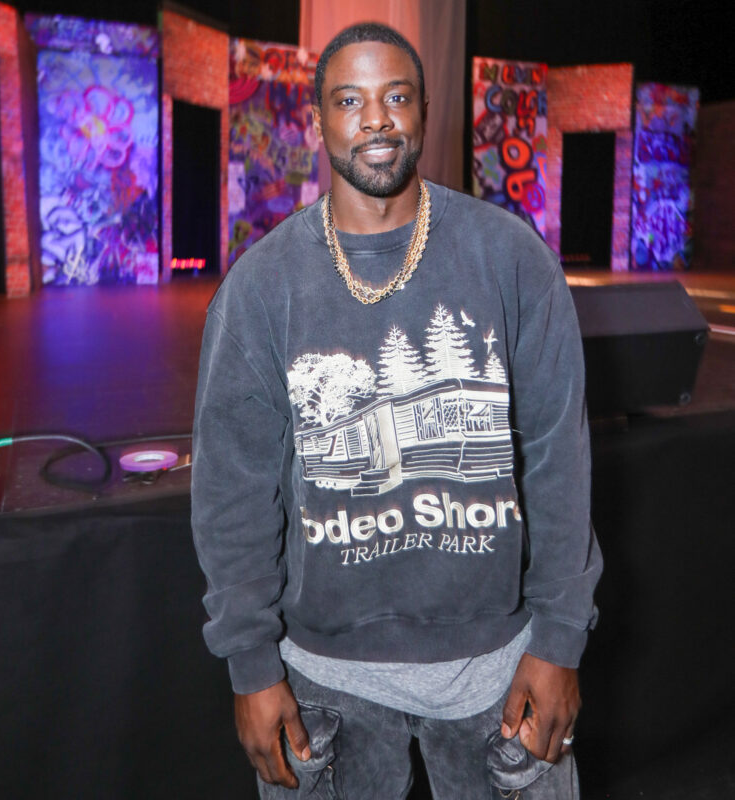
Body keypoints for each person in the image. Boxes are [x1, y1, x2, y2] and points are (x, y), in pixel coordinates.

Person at [192, 22, 602, 800]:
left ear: (423, 112)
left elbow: (559, 459)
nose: (375, 118)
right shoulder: (261, 286)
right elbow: (231, 492)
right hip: (320, 671)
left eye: (396, 97)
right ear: (318, 120)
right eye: (349, 100)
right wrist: (250, 665)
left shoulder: (510, 257)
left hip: (496, 662)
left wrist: (558, 641)